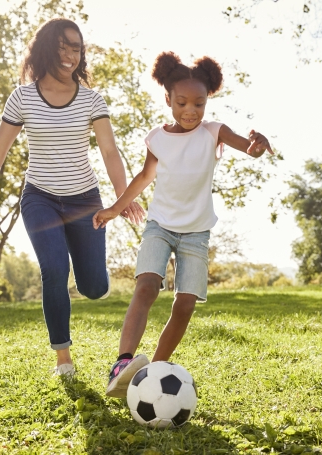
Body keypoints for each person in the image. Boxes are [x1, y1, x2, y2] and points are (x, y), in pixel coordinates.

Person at [0, 18, 144, 377]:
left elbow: (110, 152)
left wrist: (122, 197)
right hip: (40, 198)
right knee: (53, 269)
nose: (70, 55)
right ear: (47, 48)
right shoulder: (23, 97)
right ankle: (63, 359)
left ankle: (91, 276)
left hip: (85, 201)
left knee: (94, 288)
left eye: (76, 48)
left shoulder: (92, 100)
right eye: (63, 46)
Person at [93, 51, 273, 398]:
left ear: (208, 102)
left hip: (196, 232)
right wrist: (116, 208)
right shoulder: (157, 138)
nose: (190, 111)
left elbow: (247, 149)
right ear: (168, 99)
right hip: (160, 225)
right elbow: (145, 176)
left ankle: (152, 372)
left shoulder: (213, 132)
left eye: (199, 104)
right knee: (146, 286)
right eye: (182, 102)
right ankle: (123, 362)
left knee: (185, 305)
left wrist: (258, 145)